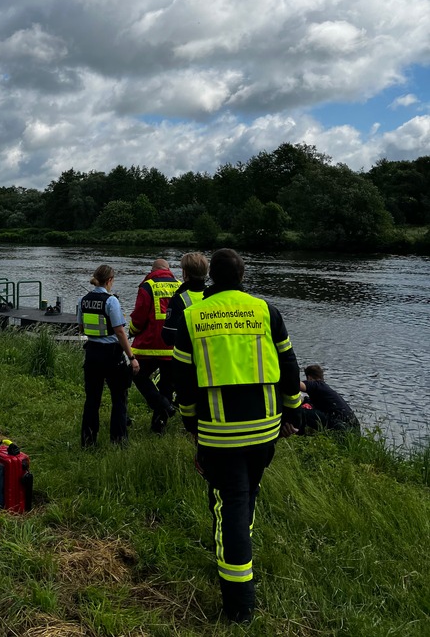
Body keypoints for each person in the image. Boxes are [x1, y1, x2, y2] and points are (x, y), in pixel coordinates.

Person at [172, 248, 302, 624]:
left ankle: (239, 604)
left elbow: (182, 380)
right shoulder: (266, 311)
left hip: (218, 433)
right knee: (247, 496)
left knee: (229, 504)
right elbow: (289, 365)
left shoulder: (193, 316)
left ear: (211, 275)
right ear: (243, 275)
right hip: (265, 431)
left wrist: (190, 422)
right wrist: (292, 413)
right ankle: (239, 552)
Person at [79, 264, 139, 448]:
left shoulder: (84, 300)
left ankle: (88, 441)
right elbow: (120, 331)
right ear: (110, 280)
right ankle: (119, 441)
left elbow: (81, 328)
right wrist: (132, 357)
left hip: (92, 354)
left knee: (92, 399)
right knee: (119, 398)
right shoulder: (111, 301)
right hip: (112, 355)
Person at [129, 258, 180, 434]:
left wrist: (132, 331)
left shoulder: (147, 286)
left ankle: (162, 404)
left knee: (138, 375)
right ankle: (159, 427)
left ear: (152, 270)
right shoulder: (180, 286)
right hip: (172, 346)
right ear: (168, 269)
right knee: (167, 386)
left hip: (148, 345)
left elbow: (139, 317)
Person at [161, 251, 210, 347]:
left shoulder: (179, 299)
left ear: (185, 273)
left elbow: (168, 337)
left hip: (189, 357)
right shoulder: (215, 295)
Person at [300, 364, 360, 433]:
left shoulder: (316, 385)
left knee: (298, 412)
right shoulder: (325, 389)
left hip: (341, 427)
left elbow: (294, 385)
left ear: (309, 378)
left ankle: (297, 432)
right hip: (353, 429)